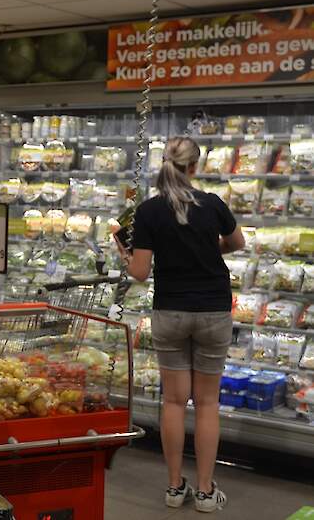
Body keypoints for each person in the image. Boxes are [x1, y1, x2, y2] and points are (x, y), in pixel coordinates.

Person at [118, 137, 244, 513]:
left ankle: (175, 488)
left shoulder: (149, 210)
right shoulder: (213, 203)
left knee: (173, 401)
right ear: (195, 167)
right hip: (213, 310)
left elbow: (139, 273)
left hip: (170, 311)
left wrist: (124, 255)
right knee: (206, 403)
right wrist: (209, 250)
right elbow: (237, 242)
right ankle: (206, 492)